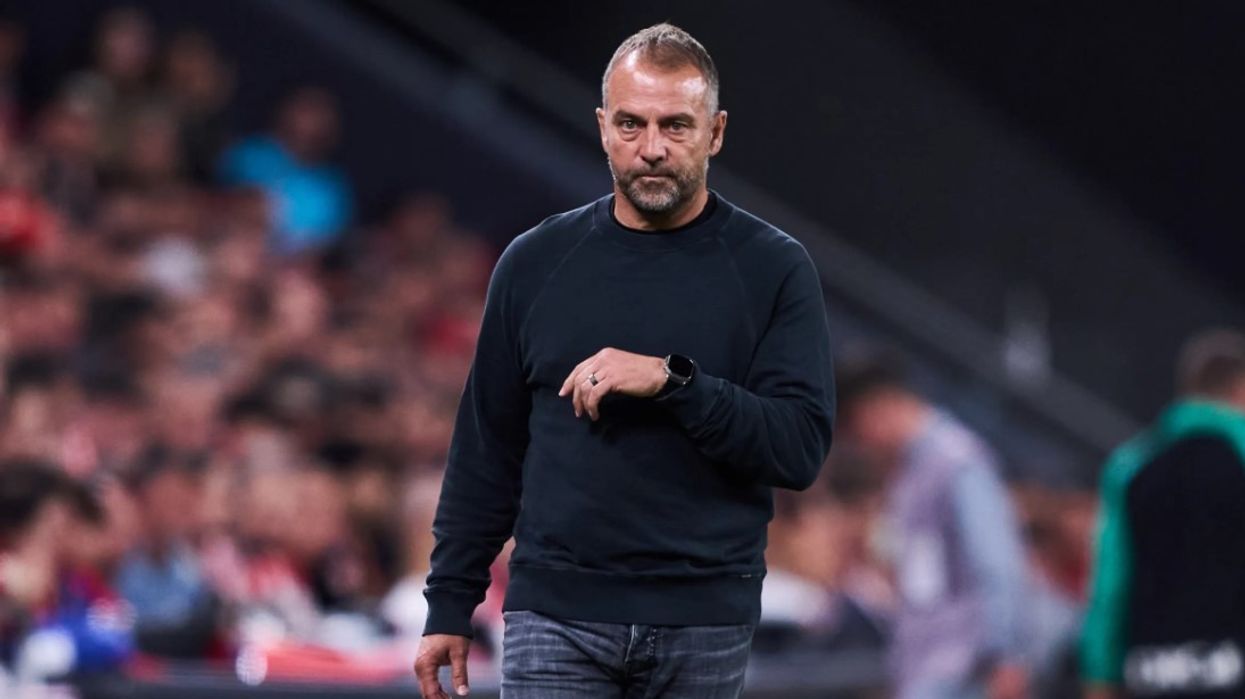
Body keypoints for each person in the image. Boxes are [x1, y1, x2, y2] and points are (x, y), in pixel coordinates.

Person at [413, 23, 835, 699]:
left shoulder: (773, 268)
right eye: (632, 124)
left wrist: (673, 381)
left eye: (676, 125)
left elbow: (798, 448)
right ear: (603, 128)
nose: (652, 148)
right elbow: (485, 450)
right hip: (555, 615)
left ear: (715, 133)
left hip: (703, 621)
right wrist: (449, 602)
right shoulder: (533, 263)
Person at [835, 351, 1029, 699]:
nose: (861, 446)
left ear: (875, 409)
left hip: (964, 667)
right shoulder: (908, 471)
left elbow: (997, 563)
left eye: (857, 431)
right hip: (925, 663)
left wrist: (1005, 653)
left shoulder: (959, 460)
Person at [1081, 329, 1245, 699]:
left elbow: (1110, 584)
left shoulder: (1131, 466)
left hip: (1150, 674)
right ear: (1240, 390)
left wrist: (1099, 677)